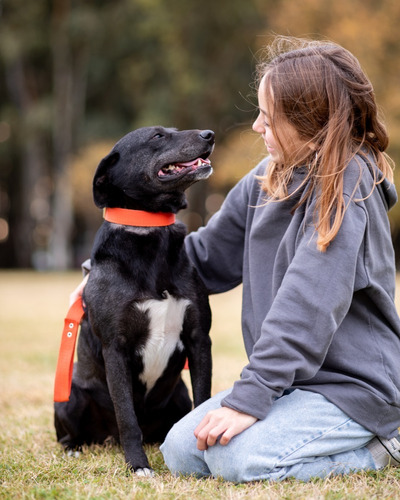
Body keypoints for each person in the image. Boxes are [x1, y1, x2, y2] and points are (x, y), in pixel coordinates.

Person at [71, 36, 400, 482]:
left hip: (354, 389)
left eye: (268, 117)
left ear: (308, 120)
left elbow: (308, 303)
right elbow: (202, 260)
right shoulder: (267, 179)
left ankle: (382, 446)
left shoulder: (349, 186)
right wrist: (110, 276)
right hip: (292, 386)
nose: (256, 127)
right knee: (181, 451)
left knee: (237, 460)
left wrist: (253, 396)